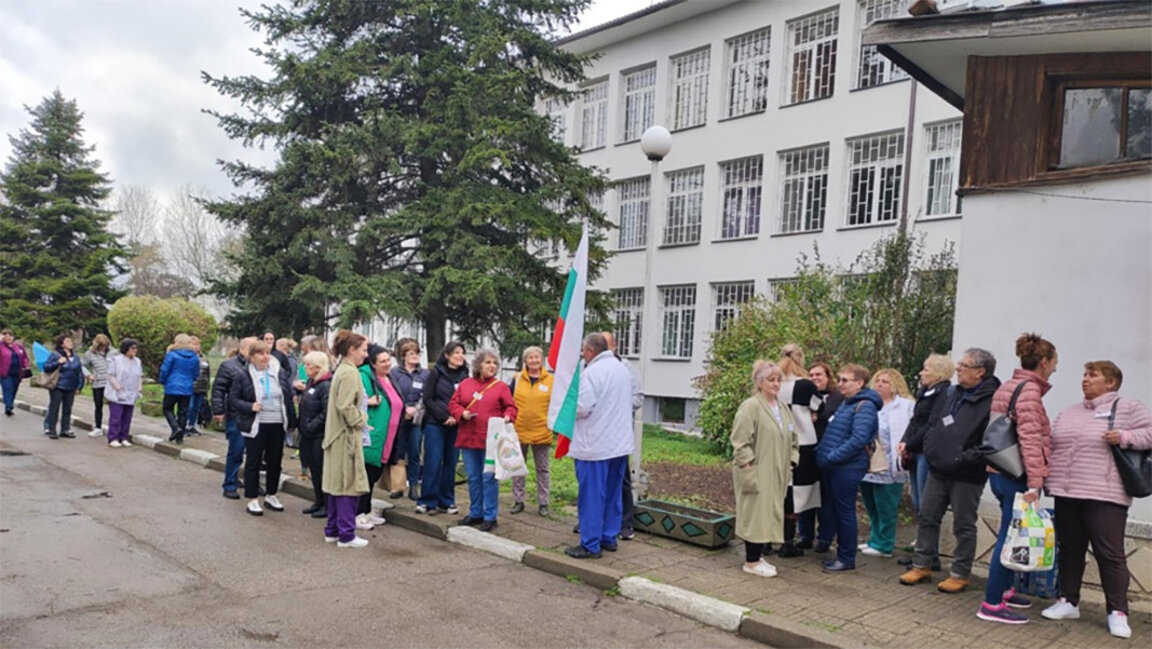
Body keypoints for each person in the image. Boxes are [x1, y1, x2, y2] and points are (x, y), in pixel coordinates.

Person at [1041, 361, 1152, 639]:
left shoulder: (1127, 407)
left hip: (1105, 495)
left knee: (1109, 554)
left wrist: (1125, 436)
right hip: (1068, 492)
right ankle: (1068, 601)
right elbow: (1054, 446)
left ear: (1111, 382)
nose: (1085, 380)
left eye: (1093, 375)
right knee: (1069, 549)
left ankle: (1118, 612)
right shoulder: (1069, 412)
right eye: (1084, 375)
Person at [900, 348, 1000, 593]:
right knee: (927, 515)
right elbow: (933, 423)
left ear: (980, 372)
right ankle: (922, 564)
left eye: (964, 366)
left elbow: (991, 441)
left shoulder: (994, 400)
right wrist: (932, 451)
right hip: (938, 468)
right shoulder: (951, 392)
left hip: (968, 473)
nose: (958, 369)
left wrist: (964, 458)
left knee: (963, 524)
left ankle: (960, 573)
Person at [978, 333, 1058, 625]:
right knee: (1009, 537)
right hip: (1016, 476)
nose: (1055, 369)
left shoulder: (1011, 385)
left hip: (999, 470)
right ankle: (992, 604)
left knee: (1010, 531)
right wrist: (1036, 483)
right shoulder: (1029, 391)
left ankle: (1006, 590)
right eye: (1054, 363)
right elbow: (1029, 439)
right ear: (1045, 362)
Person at [565, 333, 634, 559]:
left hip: (594, 445)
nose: (582, 355)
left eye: (583, 351)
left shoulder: (591, 372)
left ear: (590, 351)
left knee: (592, 496)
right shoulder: (622, 369)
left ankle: (590, 544)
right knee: (613, 493)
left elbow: (582, 407)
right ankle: (608, 536)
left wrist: (565, 407)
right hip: (619, 443)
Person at [731, 360, 800, 578]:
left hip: (778, 472)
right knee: (755, 514)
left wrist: (792, 461)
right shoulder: (751, 406)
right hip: (758, 470)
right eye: (771, 380)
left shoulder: (782, 408)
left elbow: (793, 438)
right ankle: (750, 562)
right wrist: (748, 465)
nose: (776, 384)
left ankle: (758, 556)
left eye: (779, 379)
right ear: (760, 383)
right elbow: (740, 440)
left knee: (768, 514)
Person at [813, 364, 881, 572]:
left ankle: (846, 558)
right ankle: (841, 554)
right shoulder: (848, 403)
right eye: (840, 379)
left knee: (844, 512)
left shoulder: (865, 406)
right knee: (835, 509)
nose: (840, 383)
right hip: (835, 466)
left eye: (845, 380)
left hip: (847, 467)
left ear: (859, 383)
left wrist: (832, 457)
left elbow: (858, 439)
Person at [896, 353, 954, 569]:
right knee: (917, 503)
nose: (921, 373)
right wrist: (905, 441)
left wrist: (910, 444)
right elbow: (915, 420)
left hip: (927, 454)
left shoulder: (944, 393)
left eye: (926, 369)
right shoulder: (925, 392)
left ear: (938, 373)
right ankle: (924, 552)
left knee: (926, 506)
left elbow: (931, 424)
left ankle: (929, 555)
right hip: (915, 452)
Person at [450, 349, 516, 531]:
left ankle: (490, 516)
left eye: (495, 363)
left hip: (490, 440)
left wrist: (508, 416)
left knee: (488, 478)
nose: (492, 366)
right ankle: (475, 512)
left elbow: (510, 407)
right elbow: (454, 403)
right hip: (469, 438)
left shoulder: (500, 387)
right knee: (473, 477)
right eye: (488, 362)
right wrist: (461, 413)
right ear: (478, 365)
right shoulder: (465, 384)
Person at [229, 340, 292, 517]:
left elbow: (286, 396)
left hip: (277, 423)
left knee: (275, 461)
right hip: (257, 424)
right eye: (261, 354)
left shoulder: (278, 373)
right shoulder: (243, 375)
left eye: (267, 353)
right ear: (252, 357)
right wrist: (250, 406)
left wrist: (291, 419)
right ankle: (252, 498)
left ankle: (271, 495)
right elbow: (233, 399)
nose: (265, 357)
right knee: (254, 461)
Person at [858, 368, 914, 558]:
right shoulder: (869, 404)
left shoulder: (905, 406)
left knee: (886, 505)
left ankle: (885, 544)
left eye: (885, 382)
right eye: (878, 381)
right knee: (871, 503)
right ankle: (875, 538)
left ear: (895, 386)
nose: (880, 384)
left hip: (890, 464)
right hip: (869, 463)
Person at [323, 329, 372, 548]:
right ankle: (346, 535)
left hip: (338, 435)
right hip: (346, 437)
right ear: (352, 350)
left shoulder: (342, 369)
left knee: (336, 485)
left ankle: (333, 530)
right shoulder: (350, 373)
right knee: (348, 486)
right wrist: (361, 420)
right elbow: (345, 406)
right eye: (363, 349)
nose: (366, 354)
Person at [415, 341, 469, 516]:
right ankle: (427, 500)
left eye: (462, 352)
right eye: (456, 353)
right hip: (435, 423)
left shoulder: (465, 376)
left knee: (451, 462)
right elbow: (428, 399)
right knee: (433, 461)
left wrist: (456, 416)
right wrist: (444, 417)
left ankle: (446, 500)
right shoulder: (435, 373)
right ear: (447, 356)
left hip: (456, 424)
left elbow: (467, 400)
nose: (460, 356)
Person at [776, 344, 819, 558]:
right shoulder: (806, 385)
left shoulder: (774, 382)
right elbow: (818, 407)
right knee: (798, 492)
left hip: (778, 441)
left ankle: (766, 541)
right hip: (804, 442)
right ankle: (788, 542)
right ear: (801, 359)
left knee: (778, 489)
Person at [357, 344, 401, 530]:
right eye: (383, 361)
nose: (387, 363)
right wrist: (369, 401)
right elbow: (358, 398)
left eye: (388, 360)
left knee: (374, 474)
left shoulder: (388, 378)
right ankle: (358, 513)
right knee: (366, 475)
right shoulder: (365, 376)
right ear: (373, 364)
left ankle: (366, 510)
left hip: (388, 436)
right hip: (374, 433)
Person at [797, 361, 839, 553]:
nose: (815, 378)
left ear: (828, 377)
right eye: (811, 375)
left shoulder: (837, 398)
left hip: (826, 452)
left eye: (819, 375)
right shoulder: (804, 395)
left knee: (825, 499)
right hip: (806, 453)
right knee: (805, 495)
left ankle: (825, 538)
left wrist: (819, 416)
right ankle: (805, 535)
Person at [509, 346, 554, 517]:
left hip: (542, 430)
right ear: (525, 361)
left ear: (542, 360)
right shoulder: (517, 378)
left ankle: (543, 502)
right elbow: (508, 400)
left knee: (542, 469)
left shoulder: (551, 380)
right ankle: (518, 500)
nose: (534, 360)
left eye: (537, 357)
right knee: (518, 467)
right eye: (530, 358)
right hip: (519, 430)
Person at [212, 337, 257, 499]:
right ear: (244, 349)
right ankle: (230, 483)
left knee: (254, 453)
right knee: (236, 450)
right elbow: (219, 389)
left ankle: (252, 483)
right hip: (236, 415)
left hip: (256, 415)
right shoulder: (229, 366)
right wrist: (218, 410)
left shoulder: (260, 368)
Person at [390, 338, 428, 501]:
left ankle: (413, 486)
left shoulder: (425, 374)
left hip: (416, 419)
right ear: (403, 356)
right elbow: (391, 393)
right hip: (398, 418)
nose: (415, 356)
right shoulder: (394, 373)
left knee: (414, 452)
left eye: (417, 353)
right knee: (398, 452)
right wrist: (403, 409)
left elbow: (427, 396)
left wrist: (416, 409)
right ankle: (398, 486)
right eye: (411, 353)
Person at [297, 350, 332, 518]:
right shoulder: (312, 382)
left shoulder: (325, 385)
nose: (305, 367)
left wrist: (311, 426)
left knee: (321, 470)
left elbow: (326, 412)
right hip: (307, 435)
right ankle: (318, 500)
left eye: (308, 365)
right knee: (313, 469)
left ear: (318, 367)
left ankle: (326, 504)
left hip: (318, 435)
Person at [158, 334, 201, 444]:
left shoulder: (172, 355)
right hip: (187, 387)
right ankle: (179, 437)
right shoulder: (194, 356)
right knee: (183, 412)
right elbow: (196, 373)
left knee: (167, 408)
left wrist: (162, 380)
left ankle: (175, 428)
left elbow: (165, 369)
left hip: (172, 385)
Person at [43, 334, 83, 439]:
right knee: (54, 408)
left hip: (71, 386)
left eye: (71, 341)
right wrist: (57, 362)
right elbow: (46, 367)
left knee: (67, 409)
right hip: (58, 385)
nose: (71, 343)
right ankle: (52, 429)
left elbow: (79, 372)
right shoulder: (55, 355)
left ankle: (65, 429)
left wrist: (79, 386)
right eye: (68, 341)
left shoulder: (76, 356)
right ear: (62, 344)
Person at [104, 338, 142, 448]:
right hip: (118, 392)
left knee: (127, 416)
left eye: (136, 348)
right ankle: (113, 437)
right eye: (133, 348)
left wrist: (139, 387)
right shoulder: (116, 360)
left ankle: (124, 436)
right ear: (126, 349)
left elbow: (139, 375)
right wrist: (117, 387)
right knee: (116, 416)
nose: (135, 350)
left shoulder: (137, 361)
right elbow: (111, 375)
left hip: (131, 392)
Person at [81, 334, 111, 438]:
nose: (103, 348)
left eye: (105, 346)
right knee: (98, 405)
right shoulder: (90, 354)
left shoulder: (112, 352)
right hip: (98, 383)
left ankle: (114, 427)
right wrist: (89, 374)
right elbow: (82, 365)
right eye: (101, 346)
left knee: (113, 406)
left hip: (111, 383)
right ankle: (98, 428)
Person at [1, 328, 32, 416]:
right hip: (5, 373)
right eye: (6, 336)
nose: (8, 338)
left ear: (13, 337)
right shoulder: (1, 346)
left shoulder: (18, 347)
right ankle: (8, 406)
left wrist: (26, 366)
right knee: (7, 389)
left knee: (14, 390)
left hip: (18, 373)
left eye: (10, 335)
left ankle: (10, 405)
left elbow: (25, 357)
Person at [185, 336, 210, 437]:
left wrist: (207, 386)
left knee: (196, 407)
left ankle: (192, 425)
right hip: (190, 387)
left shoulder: (203, 358)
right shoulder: (187, 357)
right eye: (193, 344)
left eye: (197, 344)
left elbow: (207, 373)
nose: (196, 347)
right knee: (189, 407)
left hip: (201, 387)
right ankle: (184, 425)